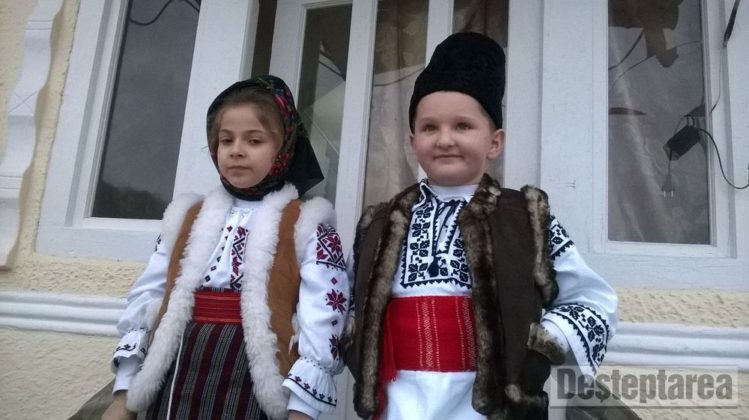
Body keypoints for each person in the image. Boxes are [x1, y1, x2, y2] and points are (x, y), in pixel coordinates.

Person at [343, 32, 618, 420]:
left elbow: (593, 301)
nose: (445, 139)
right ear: (412, 141)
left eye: (462, 126)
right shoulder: (380, 223)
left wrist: (540, 346)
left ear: (494, 141)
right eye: (429, 127)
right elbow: (347, 305)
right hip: (398, 404)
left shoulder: (526, 219)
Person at [102, 75, 349, 420]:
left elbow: (323, 319)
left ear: (285, 147)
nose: (236, 150)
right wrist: (124, 392)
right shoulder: (186, 218)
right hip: (177, 370)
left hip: (253, 380)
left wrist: (302, 410)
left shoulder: (307, 225)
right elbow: (147, 297)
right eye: (226, 139)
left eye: (254, 140)